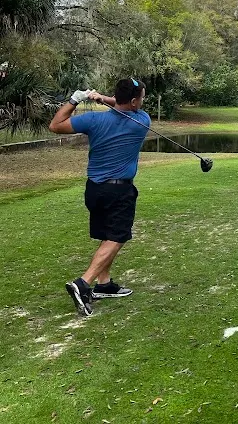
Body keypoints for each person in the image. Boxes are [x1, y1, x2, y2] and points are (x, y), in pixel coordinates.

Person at [49, 78, 150, 316]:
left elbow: (55, 125)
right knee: (117, 237)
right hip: (119, 191)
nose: (143, 102)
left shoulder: (94, 120)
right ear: (135, 102)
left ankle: (104, 285)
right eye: (142, 98)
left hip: (94, 190)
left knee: (106, 235)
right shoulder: (142, 121)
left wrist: (78, 98)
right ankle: (83, 284)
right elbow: (123, 106)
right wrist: (103, 99)